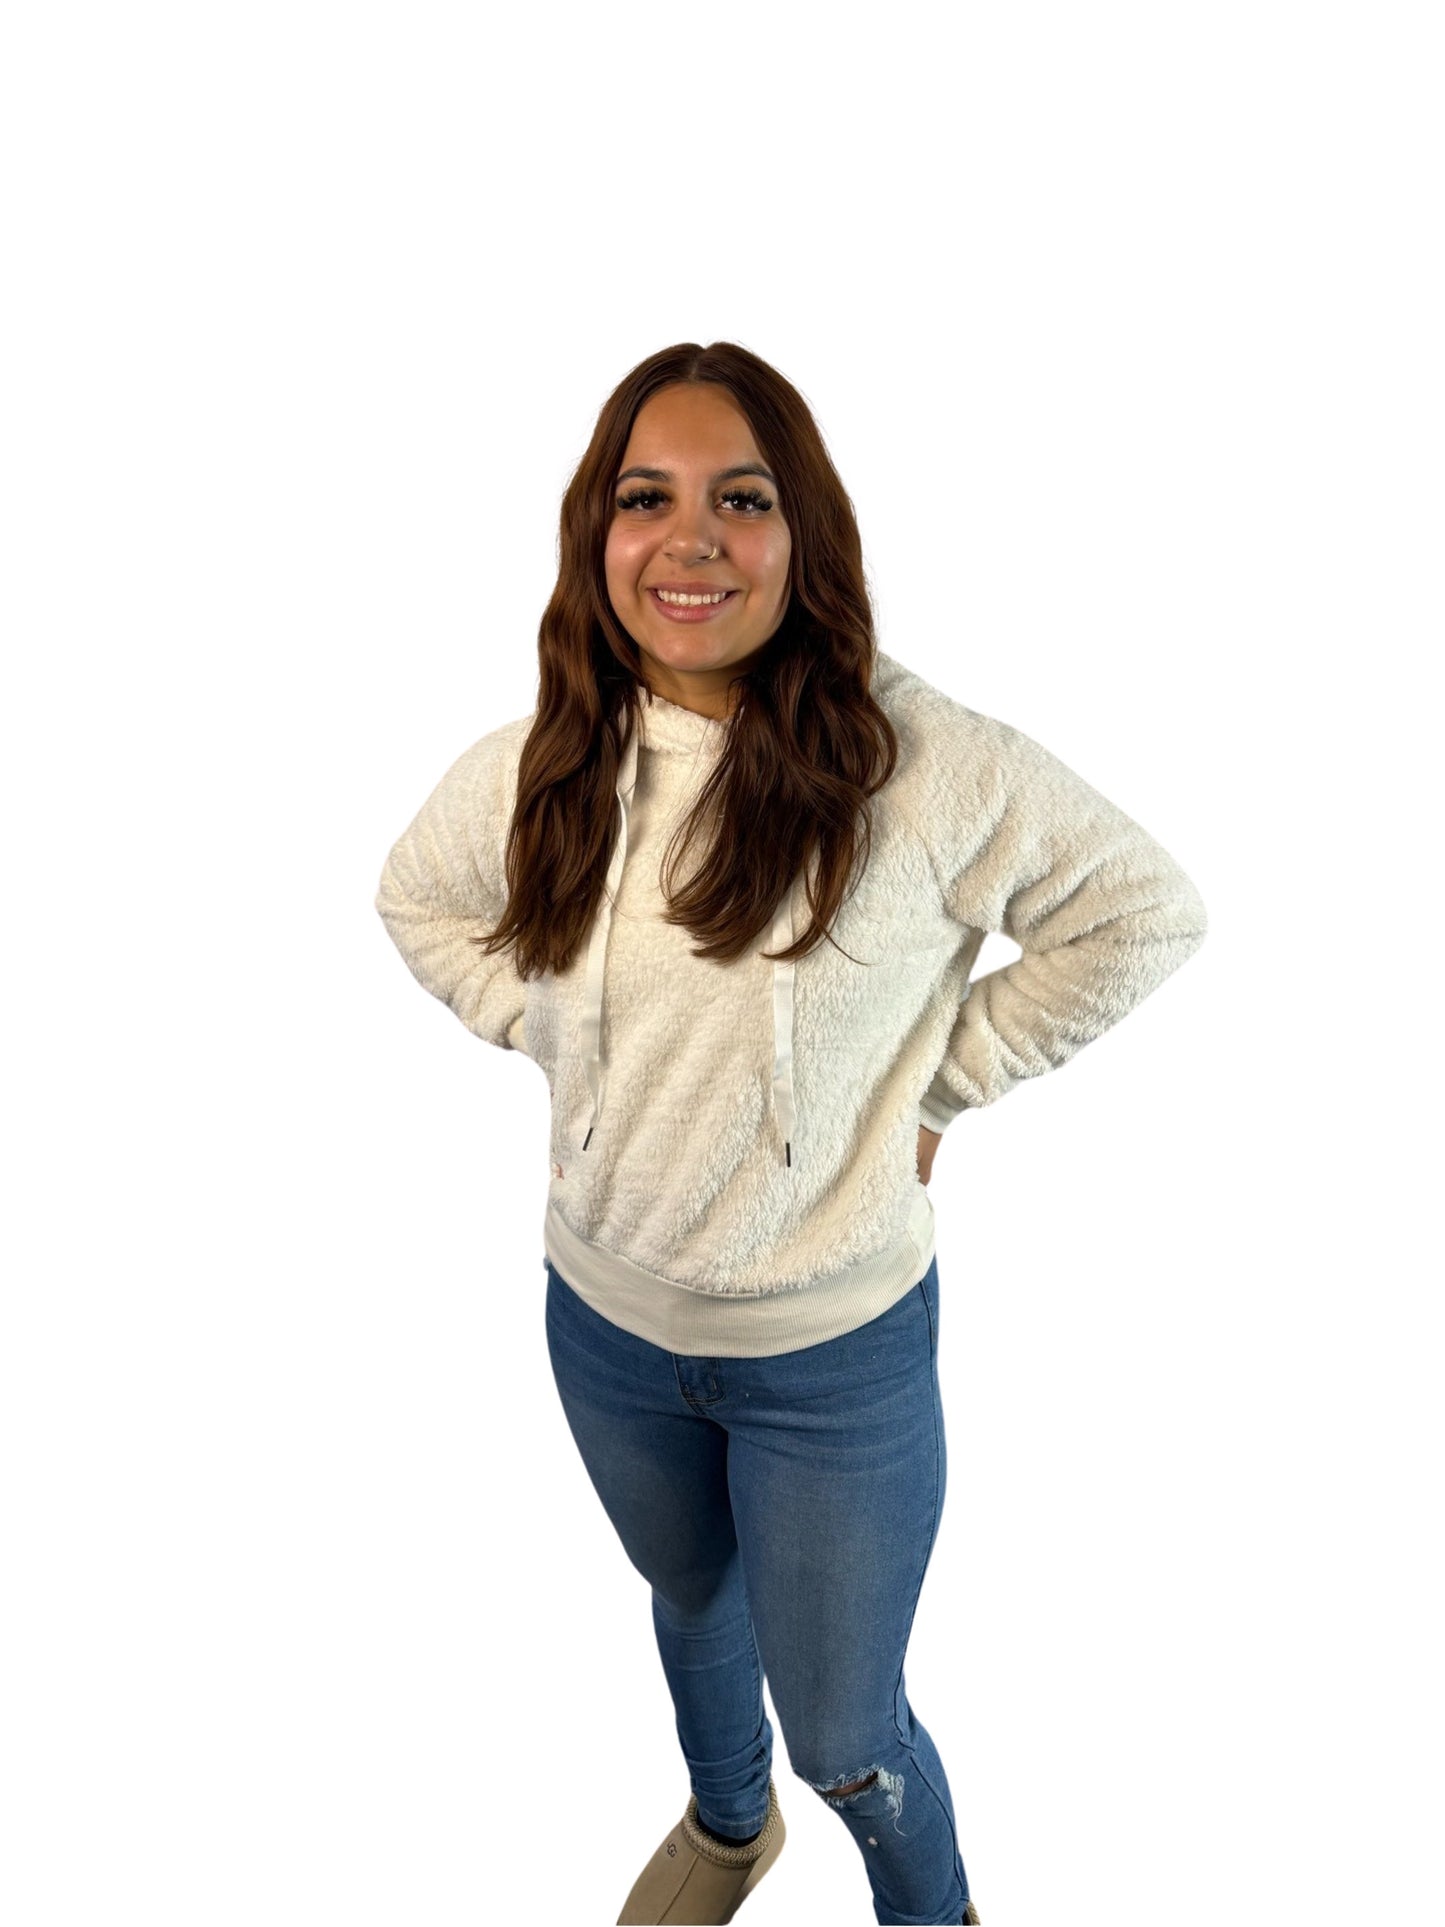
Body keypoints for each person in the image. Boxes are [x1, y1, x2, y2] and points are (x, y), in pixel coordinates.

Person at [374, 341, 1208, 1926]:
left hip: (832, 1362)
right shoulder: (550, 758)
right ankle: (725, 1823)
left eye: (740, 500)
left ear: (801, 529)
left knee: (849, 1738)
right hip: (606, 1326)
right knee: (691, 1594)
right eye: (646, 498)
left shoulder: (919, 764)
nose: (688, 540)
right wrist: (541, 1029)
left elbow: (1142, 914)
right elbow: (416, 899)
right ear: (596, 533)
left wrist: (941, 1084)